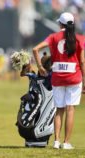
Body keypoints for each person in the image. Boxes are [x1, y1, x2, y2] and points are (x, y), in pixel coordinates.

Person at [32, 12, 85, 150]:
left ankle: (56, 141)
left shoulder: (53, 37)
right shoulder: (80, 38)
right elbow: (83, 61)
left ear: (60, 24)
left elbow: (35, 49)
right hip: (74, 77)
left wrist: (40, 67)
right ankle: (66, 143)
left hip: (57, 77)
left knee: (59, 110)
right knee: (70, 109)